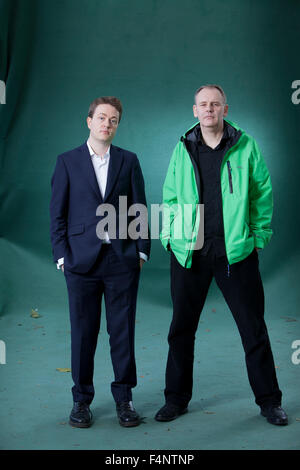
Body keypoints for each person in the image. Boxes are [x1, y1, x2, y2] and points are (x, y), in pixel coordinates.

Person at [155, 84, 288, 426]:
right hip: (190, 253)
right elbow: (169, 197)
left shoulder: (245, 147)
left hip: (235, 255)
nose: (209, 109)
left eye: (215, 104)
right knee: (181, 329)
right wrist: (170, 236)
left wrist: (257, 237)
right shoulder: (182, 148)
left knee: (253, 328)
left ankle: (270, 402)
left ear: (225, 109)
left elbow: (262, 193)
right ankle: (176, 399)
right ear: (195, 111)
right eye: (203, 104)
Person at [50, 96, 150, 428]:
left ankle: (125, 399)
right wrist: (62, 257)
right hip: (80, 263)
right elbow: (57, 215)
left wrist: (141, 251)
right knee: (83, 333)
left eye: (114, 120)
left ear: (117, 126)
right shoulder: (67, 162)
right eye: (102, 118)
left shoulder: (129, 161)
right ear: (89, 121)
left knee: (122, 333)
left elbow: (139, 208)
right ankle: (81, 400)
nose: (107, 124)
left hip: (121, 260)